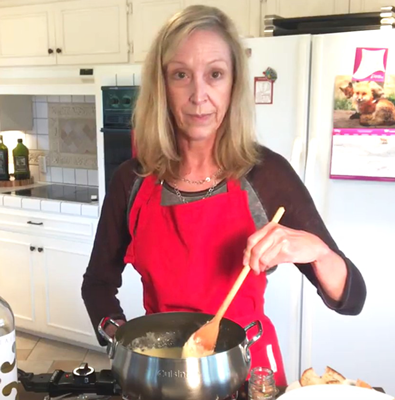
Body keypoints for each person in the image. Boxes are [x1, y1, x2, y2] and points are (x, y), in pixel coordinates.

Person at [82, 5, 366, 386]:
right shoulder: (130, 181)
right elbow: (98, 283)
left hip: (251, 374)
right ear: (162, 86)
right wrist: (125, 345)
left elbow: (352, 298)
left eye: (215, 74)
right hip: (164, 372)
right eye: (181, 75)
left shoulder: (267, 175)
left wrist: (316, 250)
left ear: (233, 84)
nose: (199, 95)